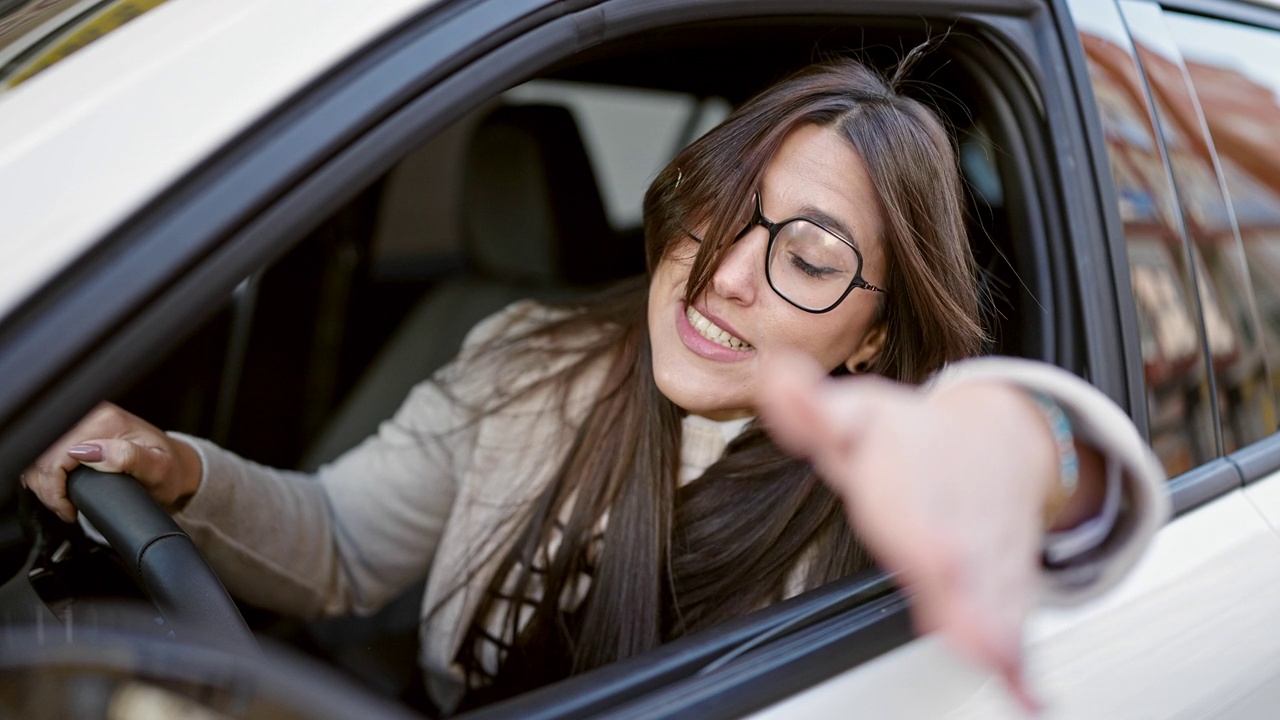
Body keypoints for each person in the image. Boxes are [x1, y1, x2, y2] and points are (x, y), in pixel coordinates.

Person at [22, 56, 1167, 713]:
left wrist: (1026, 447)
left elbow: (1060, 486)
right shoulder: (537, 361)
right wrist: (178, 471)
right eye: (717, 214)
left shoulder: (881, 495)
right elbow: (337, 545)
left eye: (809, 261)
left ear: (874, 339)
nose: (721, 279)